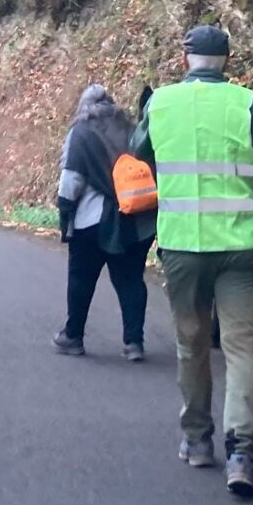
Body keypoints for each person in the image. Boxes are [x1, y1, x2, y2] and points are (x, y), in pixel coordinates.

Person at [130, 25, 253, 498]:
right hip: (241, 247)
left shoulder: (160, 103)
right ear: (227, 60)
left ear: (185, 60)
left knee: (192, 343)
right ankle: (241, 454)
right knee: (243, 348)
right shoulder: (246, 104)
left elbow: (138, 153)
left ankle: (198, 440)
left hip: (183, 247)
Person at [53, 85, 157, 361]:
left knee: (81, 279)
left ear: (84, 106)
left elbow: (71, 180)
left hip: (91, 221)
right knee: (131, 280)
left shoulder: (80, 132)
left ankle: (73, 336)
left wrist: (64, 209)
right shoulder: (131, 129)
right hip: (133, 219)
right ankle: (134, 342)